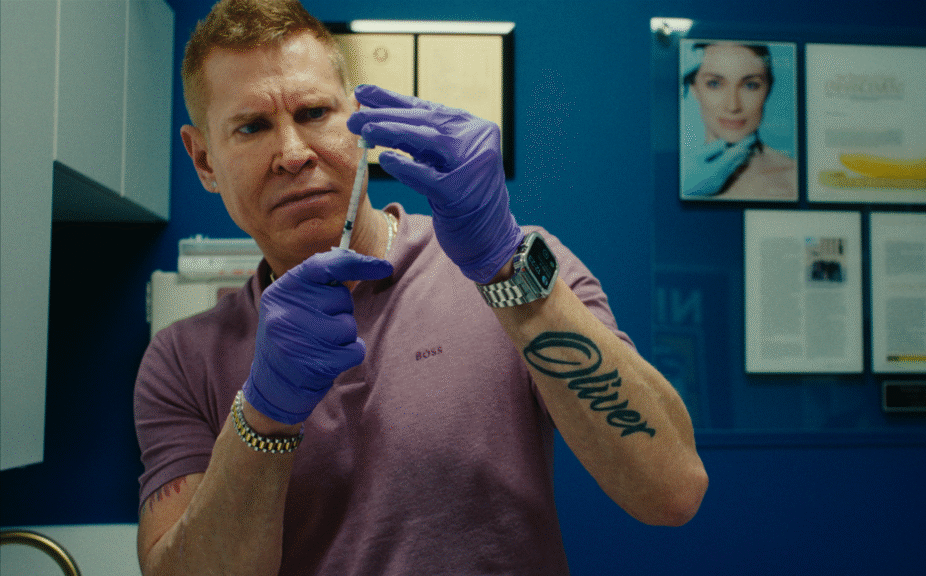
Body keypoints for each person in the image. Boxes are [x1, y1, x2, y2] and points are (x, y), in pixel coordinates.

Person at [132, 1, 708, 575]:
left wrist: (507, 273)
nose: (293, 153)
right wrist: (262, 417)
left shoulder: (525, 263)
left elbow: (672, 490)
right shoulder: (183, 359)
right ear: (204, 159)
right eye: (252, 126)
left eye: (313, 112)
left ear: (358, 120)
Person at [681, 42, 796, 200]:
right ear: (694, 89)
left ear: (768, 89)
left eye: (750, 85)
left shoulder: (793, 177)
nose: (733, 106)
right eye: (714, 83)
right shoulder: (679, 176)